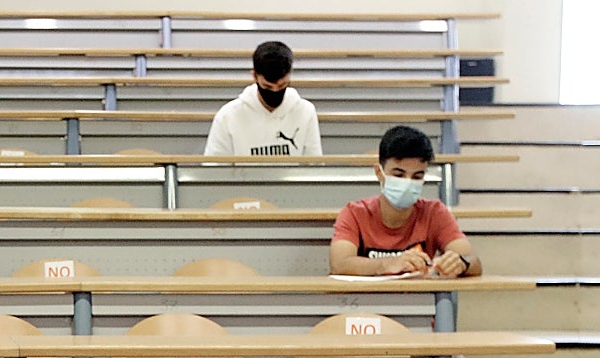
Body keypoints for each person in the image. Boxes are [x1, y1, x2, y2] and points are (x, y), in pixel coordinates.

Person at [330, 125, 483, 278]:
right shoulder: (355, 213)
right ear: (379, 173)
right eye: (398, 175)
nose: (408, 183)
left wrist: (461, 262)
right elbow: (339, 264)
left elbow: (473, 261)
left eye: (417, 177)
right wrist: (388, 264)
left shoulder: (434, 212)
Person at [204, 41, 322, 157]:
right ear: (254, 76)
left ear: (290, 75)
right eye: (267, 87)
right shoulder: (228, 116)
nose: (275, 91)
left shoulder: (305, 111)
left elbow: (314, 164)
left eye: (282, 86)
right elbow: (215, 165)